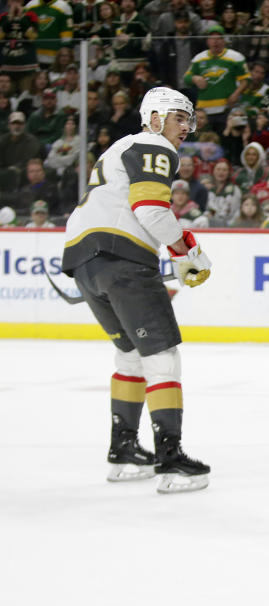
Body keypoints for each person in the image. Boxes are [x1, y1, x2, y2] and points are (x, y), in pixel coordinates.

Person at [60, 87, 211, 493]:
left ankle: (124, 450)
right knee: (162, 356)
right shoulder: (154, 145)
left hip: (84, 261)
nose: (187, 126)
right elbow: (150, 210)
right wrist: (186, 248)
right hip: (123, 260)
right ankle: (170, 460)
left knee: (129, 352)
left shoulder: (118, 148)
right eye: (181, 117)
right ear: (156, 117)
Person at [183, 25, 250, 127]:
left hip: (227, 108)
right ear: (207, 41)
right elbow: (186, 78)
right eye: (212, 38)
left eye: (218, 38)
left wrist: (236, 94)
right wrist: (194, 78)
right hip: (204, 110)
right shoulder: (199, 58)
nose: (215, 42)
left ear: (224, 41)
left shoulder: (235, 57)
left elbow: (246, 79)